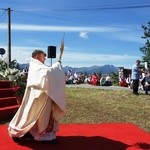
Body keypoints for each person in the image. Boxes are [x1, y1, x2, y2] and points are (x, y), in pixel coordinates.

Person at [8, 50, 66, 143]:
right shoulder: (36, 65)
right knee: (31, 115)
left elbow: (48, 74)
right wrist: (57, 65)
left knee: (40, 116)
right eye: (43, 56)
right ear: (37, 57)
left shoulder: (38, 65)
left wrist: (56, 66)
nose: (45, 58)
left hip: (43, 95)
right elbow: (47, 73)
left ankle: (44, 136)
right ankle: (19, 132)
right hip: (37, 96)